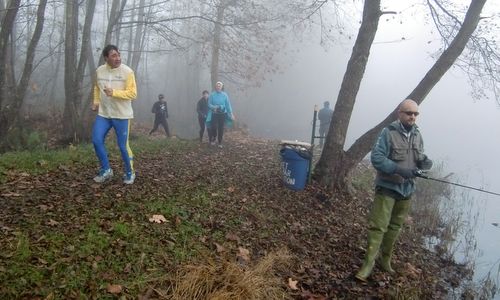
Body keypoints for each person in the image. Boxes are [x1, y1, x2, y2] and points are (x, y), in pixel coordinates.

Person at [355, 99, 433, 281]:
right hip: (387, 188)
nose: (412, 116)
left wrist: (424, 163)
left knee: (395, 226)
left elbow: (419, 156)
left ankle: (385, 261)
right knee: (378, 227)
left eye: (415, 114)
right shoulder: (387, 133)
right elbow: (377, 158)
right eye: (409, 113)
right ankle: (368, 265)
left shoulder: (418, 134)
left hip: (407, 190)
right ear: (400, 113)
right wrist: (399, 169)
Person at [91, 44, 137, 185]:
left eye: (118, 54)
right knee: (96, 140)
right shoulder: (100, 71)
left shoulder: (128, 72)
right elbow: (97, 88)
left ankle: (130, 172)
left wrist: (114, 93)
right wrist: (96, 102)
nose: (118, 58)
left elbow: (133, 93)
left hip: (122, 115)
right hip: (104, 114)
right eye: (114, 56)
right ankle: (106, 170)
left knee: (123, 146)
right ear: (106, 58)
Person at [206, 81, 234, 148]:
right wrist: (214, 107)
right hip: (214, 113)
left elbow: (228, 105)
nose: (218, 87)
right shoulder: (212, 95)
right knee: (214, 127)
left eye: (219, 86)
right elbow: (209, 104)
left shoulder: (225, 95)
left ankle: (220, 142)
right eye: (217, 86)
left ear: (221, 87)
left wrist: (231, 114)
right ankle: (214, 137)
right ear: (215, 87)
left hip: (222, 113)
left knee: (221, 128)